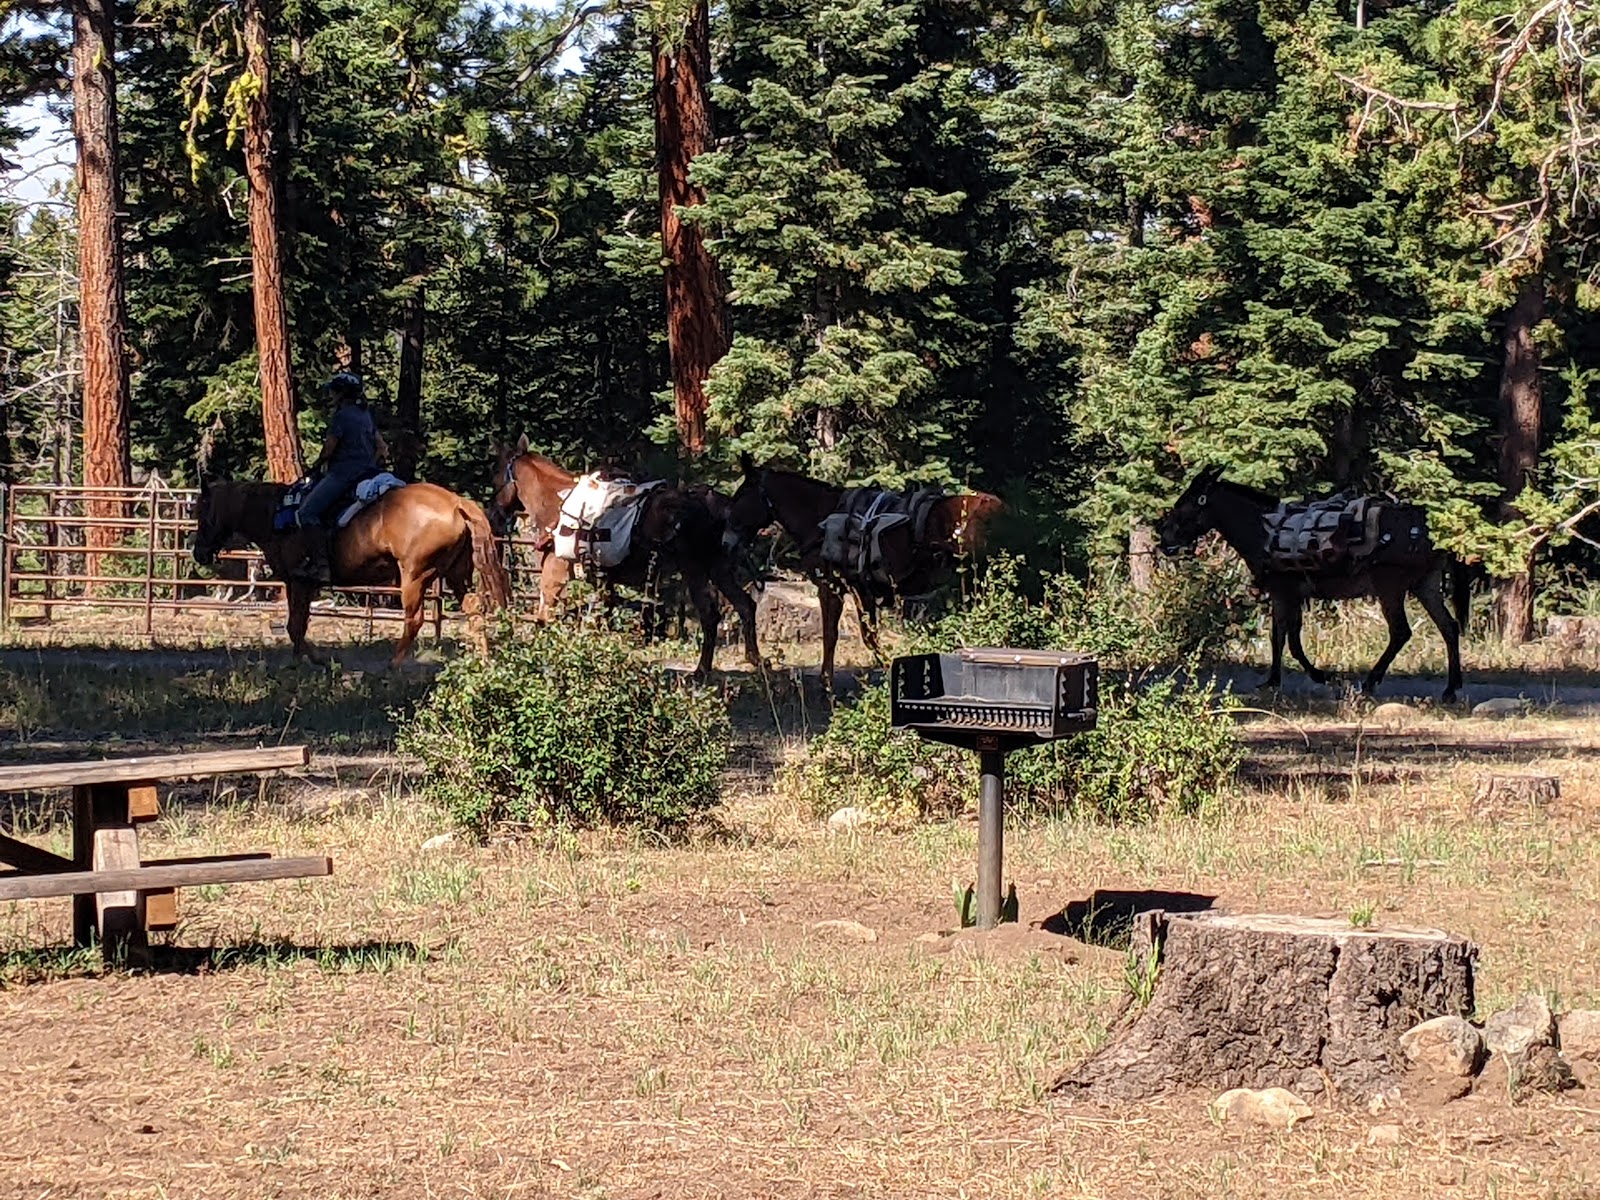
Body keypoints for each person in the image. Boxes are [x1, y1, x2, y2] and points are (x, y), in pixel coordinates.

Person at [293, 372, 387, 582]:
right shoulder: (365, 415)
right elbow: (382, 447)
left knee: (306, 512)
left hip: (343, 473)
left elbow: (329, 449)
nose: (330, 395)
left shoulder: (341, 416)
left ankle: (320, 565)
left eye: (333, 391)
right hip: (369, 472)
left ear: (342, 394)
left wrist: (317, 464)